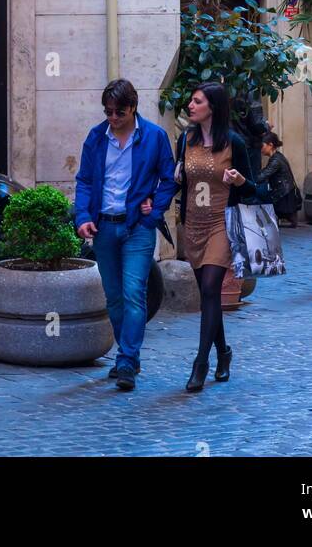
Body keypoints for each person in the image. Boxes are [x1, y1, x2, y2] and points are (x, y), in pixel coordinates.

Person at [74, 79, 177, 391]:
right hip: (104, 226)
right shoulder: (96, 138)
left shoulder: (155, 137)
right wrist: (82, 216)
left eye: (119, 111)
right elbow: (85, 181)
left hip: (137, 229)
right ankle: (127, 354)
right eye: (108, 111)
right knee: (114, 298)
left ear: (133, 108)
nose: (113, 117)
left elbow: (168, 179)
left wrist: (155, 211)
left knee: (134, 293)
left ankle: (127, 360)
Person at [175, 82, 268, 393]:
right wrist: (176, 177)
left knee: (212, 288)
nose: (190, 105)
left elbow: (254, 189)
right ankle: (224, 353)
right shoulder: (184, 140)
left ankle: (200, 364)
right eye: (191, 100)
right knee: (208, 296)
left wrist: (240, 180)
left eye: (197, 101)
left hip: (221, 224)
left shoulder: (234, 143)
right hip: (193, 226)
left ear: (211, 107)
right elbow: (182, 183)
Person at [259, 132, 302, 228]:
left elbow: (263, 175)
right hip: (285, 193)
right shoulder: (278, 156)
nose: (260, 148)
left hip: (283, 196)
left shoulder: (276, 160)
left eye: (262, 145)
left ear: (270, 145)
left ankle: (288, 216)